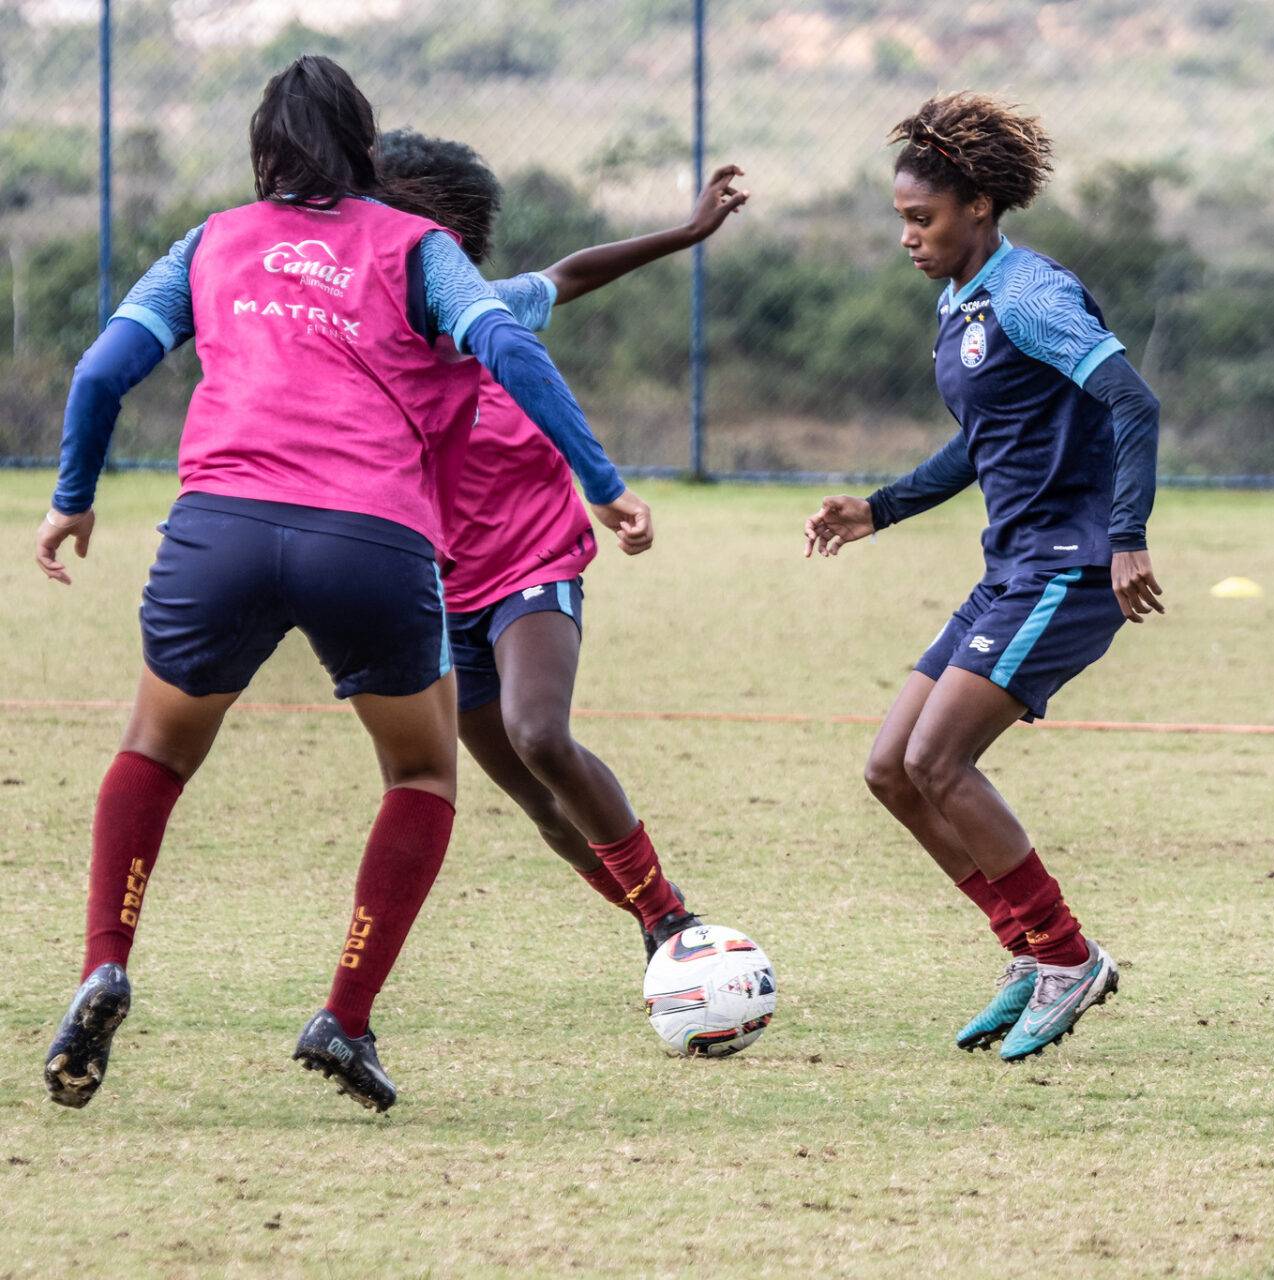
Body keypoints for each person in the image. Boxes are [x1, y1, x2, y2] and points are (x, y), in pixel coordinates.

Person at [35, 57, 648, 1115]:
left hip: (218, 527)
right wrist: (604, 480)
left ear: (262, 153)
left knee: (152, 750)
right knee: (421, 773)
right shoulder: (414, 246)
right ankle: (346, 1014)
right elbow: (504, 342)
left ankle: (103, 960)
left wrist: (74, 495)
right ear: (364, 149)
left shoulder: (211, 241)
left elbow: (99, 372)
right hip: (370, 536)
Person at [801, 93, 1163, 1062]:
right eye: (902, 221)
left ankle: (1070, 955)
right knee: (891, 767)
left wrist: (1127, 536)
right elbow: (983, 442)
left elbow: (1133, 404)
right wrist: (879, 508)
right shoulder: (962, 299)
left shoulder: (1032, 296)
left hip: (1070, 567)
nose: (909, 237)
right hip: (1013, 567)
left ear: (981, 205)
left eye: (923, 219)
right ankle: (1026, 946)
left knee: (939, 762)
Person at [373, 128, 749, 952]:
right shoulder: (363, 339)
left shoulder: (484, 306)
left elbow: (572, 272)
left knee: (539, 734)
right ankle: (661, 915)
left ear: (440, 232)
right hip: (435, 584)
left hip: (531, 559)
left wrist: (686, 233)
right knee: (540, 804)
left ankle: (670, 924)